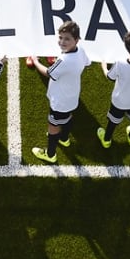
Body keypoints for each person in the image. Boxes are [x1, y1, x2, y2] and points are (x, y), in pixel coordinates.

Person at [31, 21, 92, 163]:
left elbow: (48, 73)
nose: (62, 42)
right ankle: (64, 139)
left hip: (59, 101)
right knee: (68, 117)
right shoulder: (80, 49)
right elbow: (87, 64)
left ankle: (50, 154)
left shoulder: (63, 60)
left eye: (67, 39)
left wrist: (35, 62)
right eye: (60, 37)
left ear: (76, 40)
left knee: (53, 126)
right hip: (72, 97)